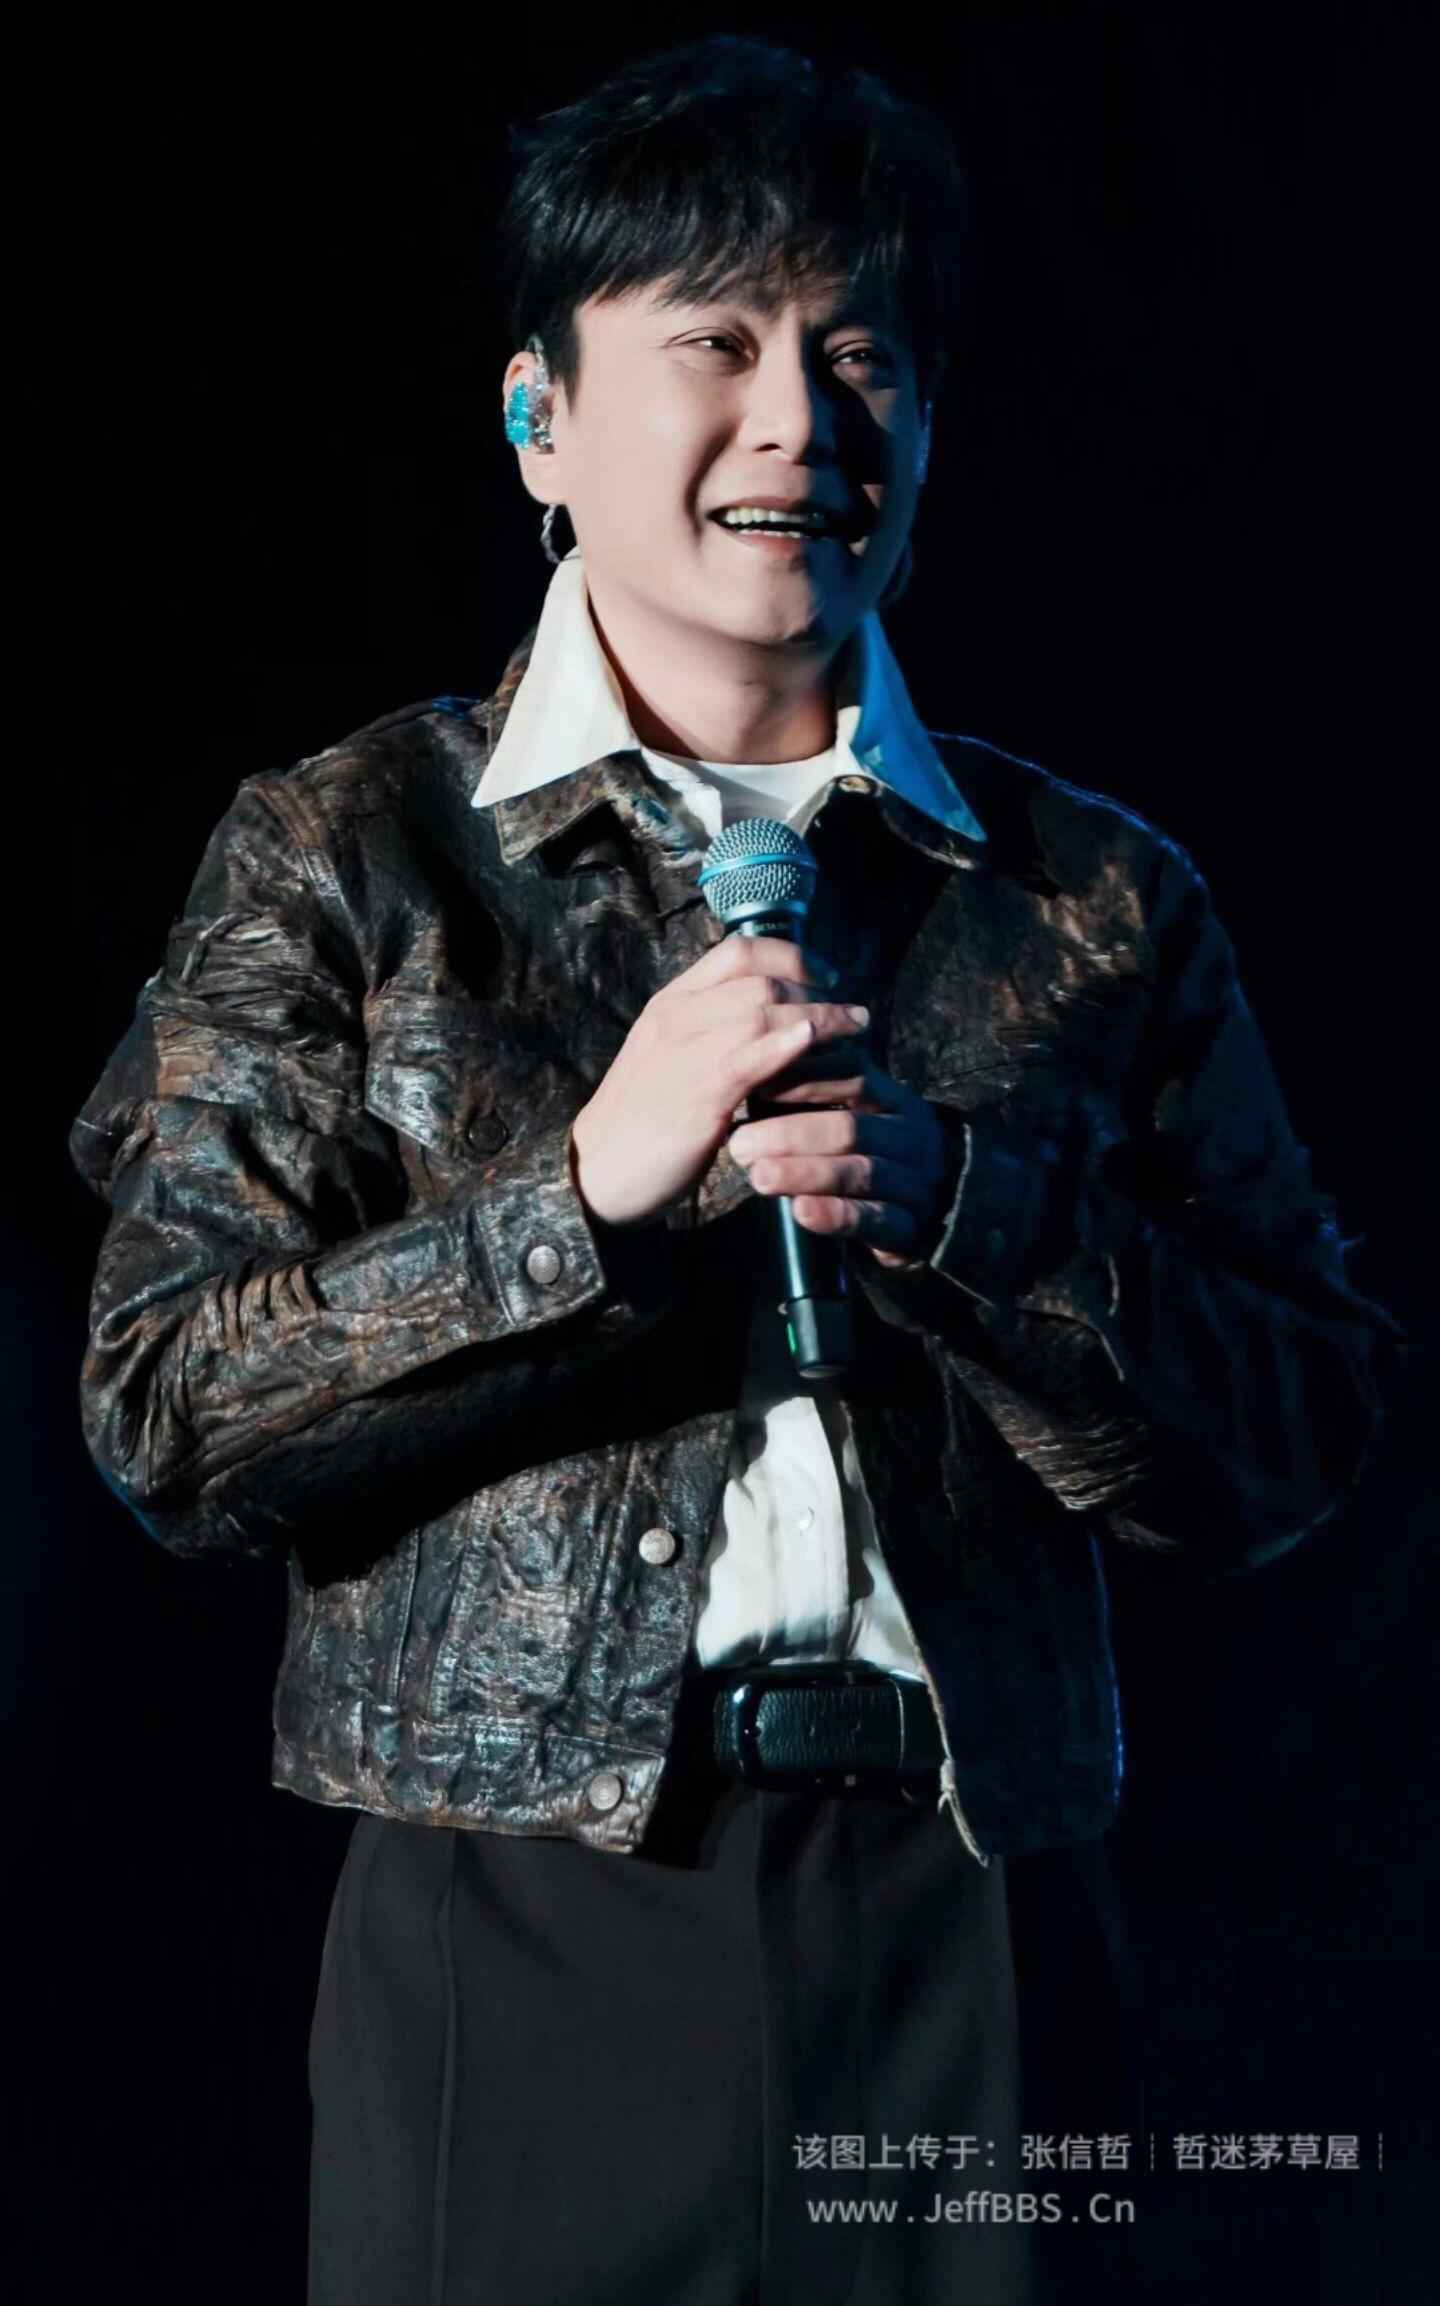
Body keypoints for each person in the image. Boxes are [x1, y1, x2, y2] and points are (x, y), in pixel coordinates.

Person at [67, 35, 1406, 2306]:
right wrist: (579, 1200)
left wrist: (974, 1215)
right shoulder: (351, 851)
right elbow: (166, 1410)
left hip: (979, 1919)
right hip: (523, 1922)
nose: (798, 420)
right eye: (716, 341)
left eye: (855, 353)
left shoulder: (1092, 892)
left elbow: (1306, 1433)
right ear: (541, 422)